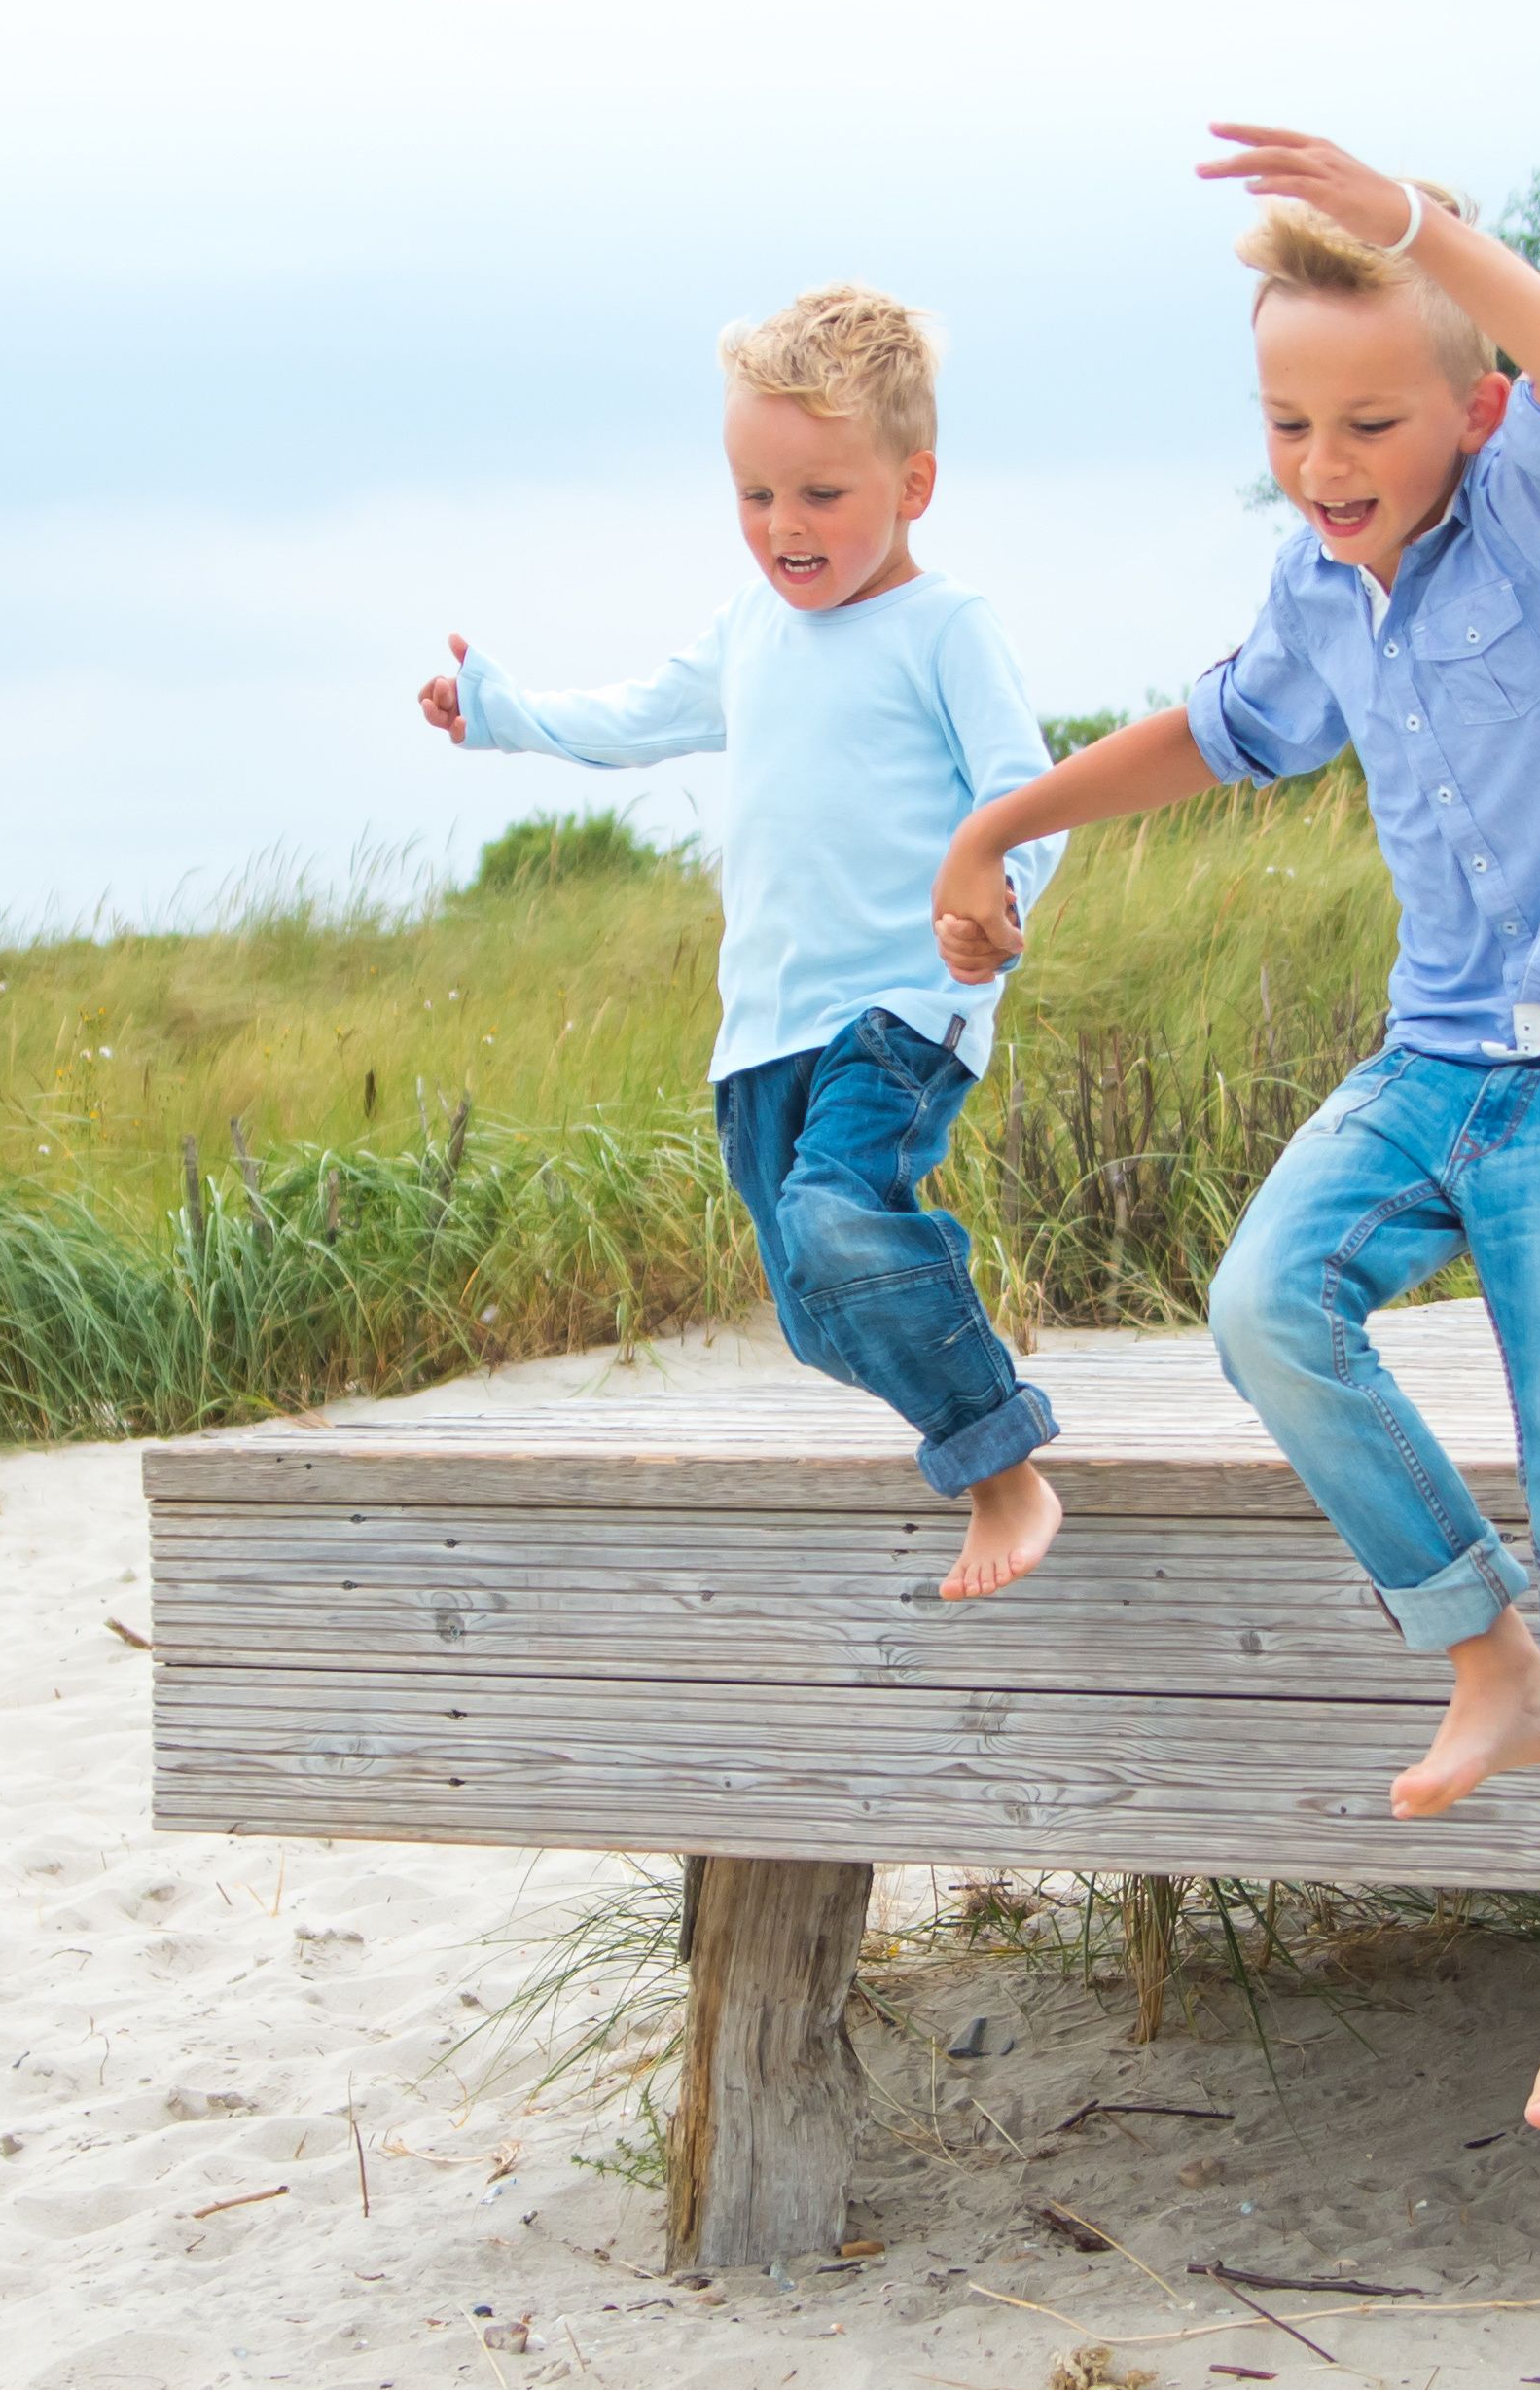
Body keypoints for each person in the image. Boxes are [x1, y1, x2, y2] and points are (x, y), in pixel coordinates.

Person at [931, 126, 1540, 2131]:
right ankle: (1472, 1641)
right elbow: (1220, 729)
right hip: (1433, 1065)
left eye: (1371, 423)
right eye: (1290, 427)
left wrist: (1420, 224)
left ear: (1468, 410)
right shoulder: (1320, 589)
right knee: (1264, 1304)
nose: (1328, 465)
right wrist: (998, 825)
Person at [418, 286, 1072, 1597]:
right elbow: (632, 716)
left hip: (900, 1011)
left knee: (840, 1217)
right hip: (766, 1028)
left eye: (823, 495)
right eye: (756, 497)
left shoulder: (945, 629)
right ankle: (943, 1358)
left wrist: (997, 903)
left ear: (914, 483)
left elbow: (1028, 795)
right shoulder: (748, 631)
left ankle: (1001, 1460)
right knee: (815, 1313)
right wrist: (499, 709)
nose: (785, 529)